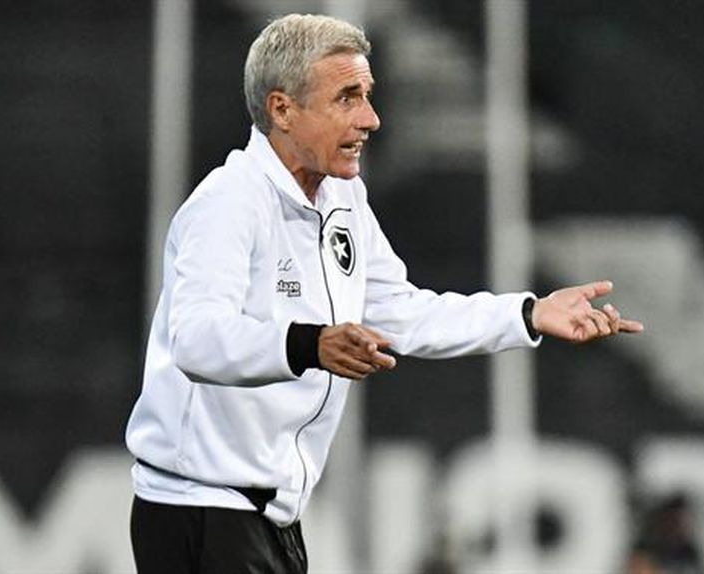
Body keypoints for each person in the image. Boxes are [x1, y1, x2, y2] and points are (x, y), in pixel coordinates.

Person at [125, 13, 643, 574]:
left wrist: (529, 313)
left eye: (367, 96)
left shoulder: (343, 200)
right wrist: (309, 345)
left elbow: (401, 312)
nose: (370, 118)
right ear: (282, 109)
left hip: (269, 517)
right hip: (200, 511)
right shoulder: (229, 203)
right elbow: (196, 341)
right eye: (347, 98)